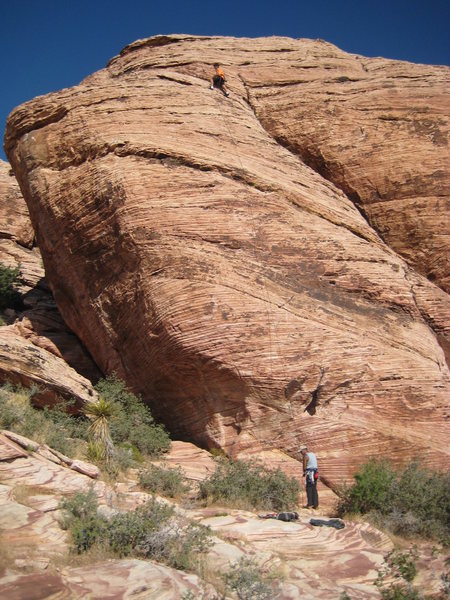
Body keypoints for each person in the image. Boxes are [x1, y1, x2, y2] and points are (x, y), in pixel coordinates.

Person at [300, 445, 319, 509]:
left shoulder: (305, 456)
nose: (301, 453)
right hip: (316, 473)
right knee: (314, 488)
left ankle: (310, 504)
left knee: (309, 488)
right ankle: (315, 505)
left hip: (310, 473)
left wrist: (304, 473)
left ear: (304, 450)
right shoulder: (312, 454)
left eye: (301, 452)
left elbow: (304, 467)